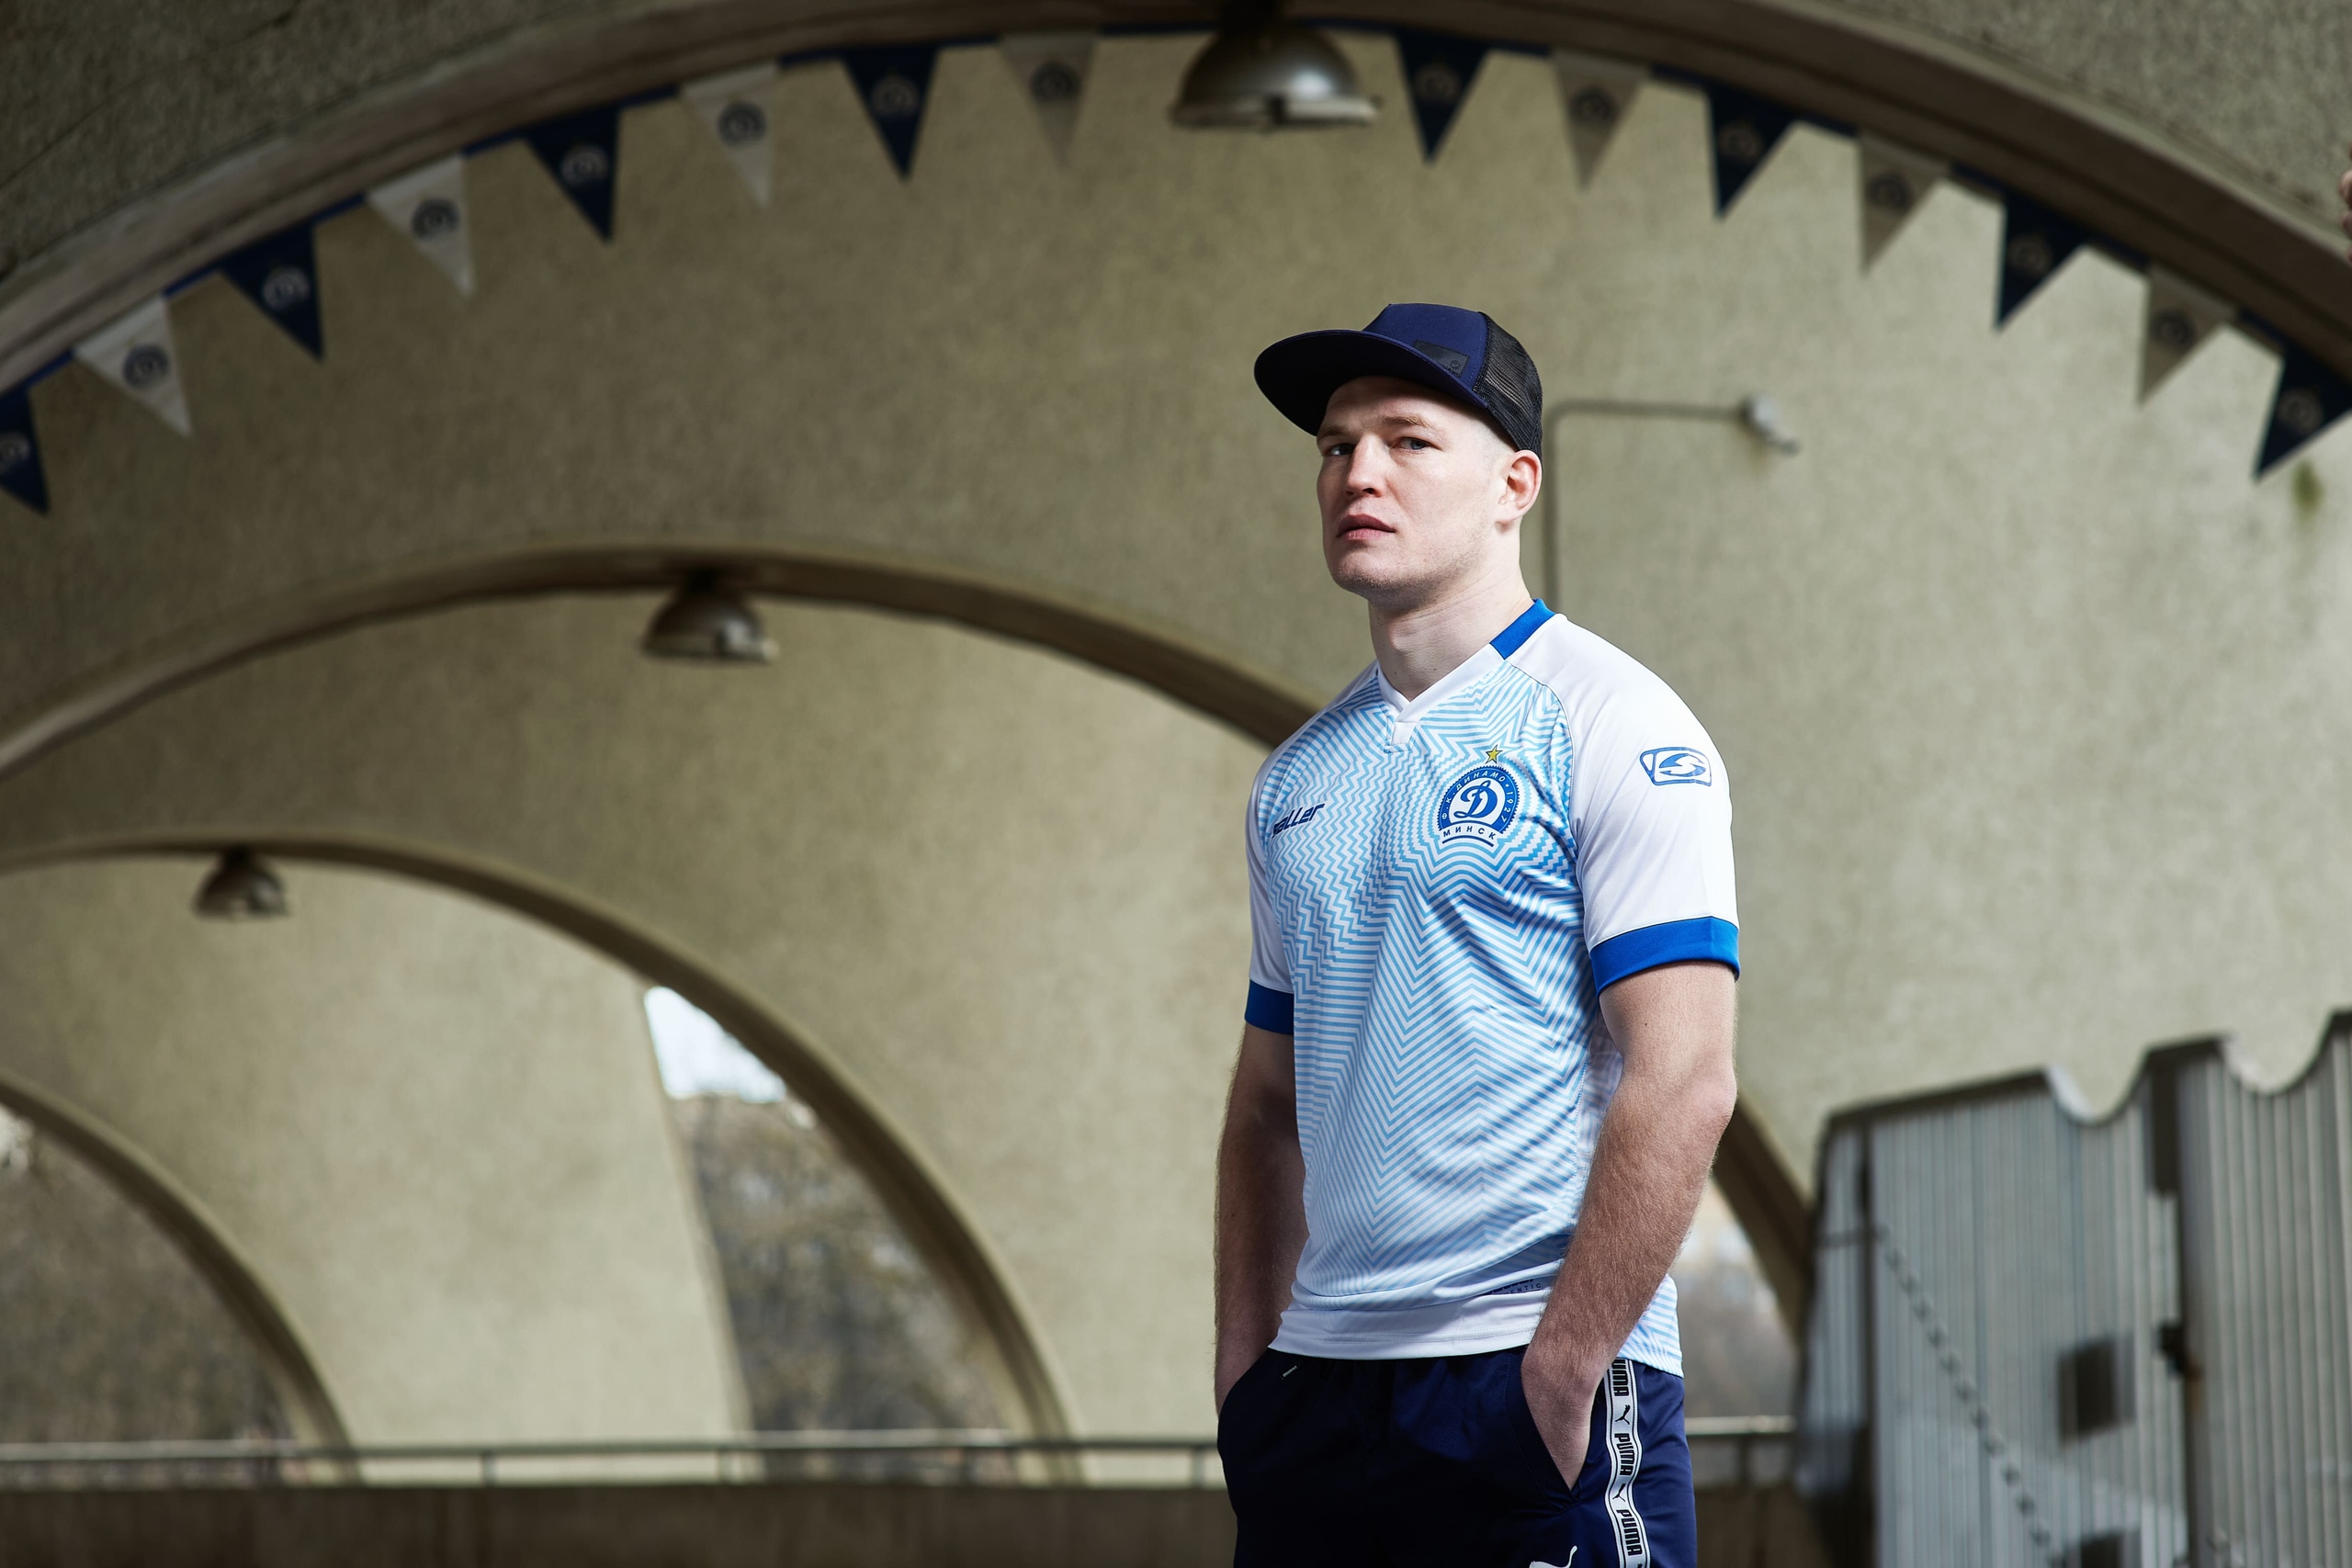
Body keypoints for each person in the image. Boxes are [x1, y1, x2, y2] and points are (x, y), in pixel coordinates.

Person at [1214, 303, 1740, 1568]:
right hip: (1320, 1397)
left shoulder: (1614, 722)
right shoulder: (1297, 780)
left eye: (1408, 441)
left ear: (1516, 486)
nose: (1360, 474)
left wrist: (1562, 1373)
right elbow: (1266, 1107)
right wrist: (1243, 1376)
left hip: (1525, 1385)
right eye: (1336, 447)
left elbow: (1685, 1078)